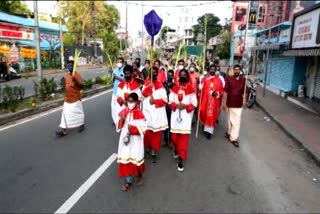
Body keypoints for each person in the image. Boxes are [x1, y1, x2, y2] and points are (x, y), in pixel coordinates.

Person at [116, 92, 146, 191]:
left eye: (132, 101)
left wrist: (132, 128)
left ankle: (139, 175)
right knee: (126, 159)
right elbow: (118, 125)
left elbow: (143, 129)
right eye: (128, 101)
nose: (129, 103)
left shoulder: (140, 113)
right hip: (125, 140)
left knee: (136, 159)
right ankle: (128, 181)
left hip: (136, 141)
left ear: (136, 102)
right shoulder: (124, 111)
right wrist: (122, 120)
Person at [169, 69, 197, 172]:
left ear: (187, 77)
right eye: (181, 75)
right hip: (175, 117)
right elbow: (170, 100)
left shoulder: (191, 90)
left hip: (185, 118)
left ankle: (180, 160)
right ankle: (176, 148)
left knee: (183, 142)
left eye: (185, 75)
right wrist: (175, 105)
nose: (183, 76)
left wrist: (185, 106)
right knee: (174, 138)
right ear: (179, 76)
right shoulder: (174, 89)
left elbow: (194, 103)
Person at [142, 66, 168, 163]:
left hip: (157, 113)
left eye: (154, 72)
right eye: (151, 72)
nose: (152, 73)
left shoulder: (160, 86)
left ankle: (154, 151)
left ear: (157, 74)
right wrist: (150, 87)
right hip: (147, 113)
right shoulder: (146, 83)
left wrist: (155, 102)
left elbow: (165, 100)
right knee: (147, 132)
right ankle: (147, 148)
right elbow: (143, 94)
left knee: (156, 133)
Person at [56, 60, 85, 137]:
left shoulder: (77, 75)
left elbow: (81, 86)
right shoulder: (67, 75)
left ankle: (81, 125)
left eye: (70, 65)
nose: (69, 67)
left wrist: (75, 80)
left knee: (78, 113)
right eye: (68, 65)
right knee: (64, 114)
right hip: (67, 99)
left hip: (75, 98)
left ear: (73, 66)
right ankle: (63, 130)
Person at [222, 64, 247, 147]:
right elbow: (225, 92)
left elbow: (245, 92)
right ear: (233, 70)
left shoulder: (244, 80)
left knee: (236, 122)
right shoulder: (229, 79)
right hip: (230, 104)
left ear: (240, 71)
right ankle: (229, 132)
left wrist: (244, 101)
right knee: (230, 121)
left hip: (238, 104)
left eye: (238, 69)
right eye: (235, 69)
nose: (236, 71)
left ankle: (234, 138)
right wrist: (224, 103)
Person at [199, 64, 224, 139]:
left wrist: (217, 93)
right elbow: (200, 89)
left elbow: (221, 90)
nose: (212, 70)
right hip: (206, 101)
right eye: (211, 69)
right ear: (209, 70)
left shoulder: (219, 80)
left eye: (214, 69)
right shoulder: (205, 79)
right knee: (203, 112)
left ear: (215, 70)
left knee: (211, 116)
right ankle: (204, 124)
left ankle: (209, 132)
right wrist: (201, 83)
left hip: (214, 102)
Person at [162, 69, 175, 148]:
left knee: (171, 124)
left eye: (171, 75)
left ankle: (170, 140)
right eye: (168, 74)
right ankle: (165, 139)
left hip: (171, 107)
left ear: (173, 76)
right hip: (163, 107)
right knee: (164, 124)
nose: (169, 76)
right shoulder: (163, 84)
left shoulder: (175, 86)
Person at [111, 57, 125, 124]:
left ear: (123, 63)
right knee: (113, 107)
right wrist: (114, 76)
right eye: (118, 62)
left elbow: (126, 81)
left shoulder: (125, 70)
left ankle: (120, 119)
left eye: (120, 62)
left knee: (120, 106)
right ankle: (115, 120)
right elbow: (112, 80)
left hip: (121, 92)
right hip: (115, 92)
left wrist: (118, 78)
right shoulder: (115, 70)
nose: (119, 63)